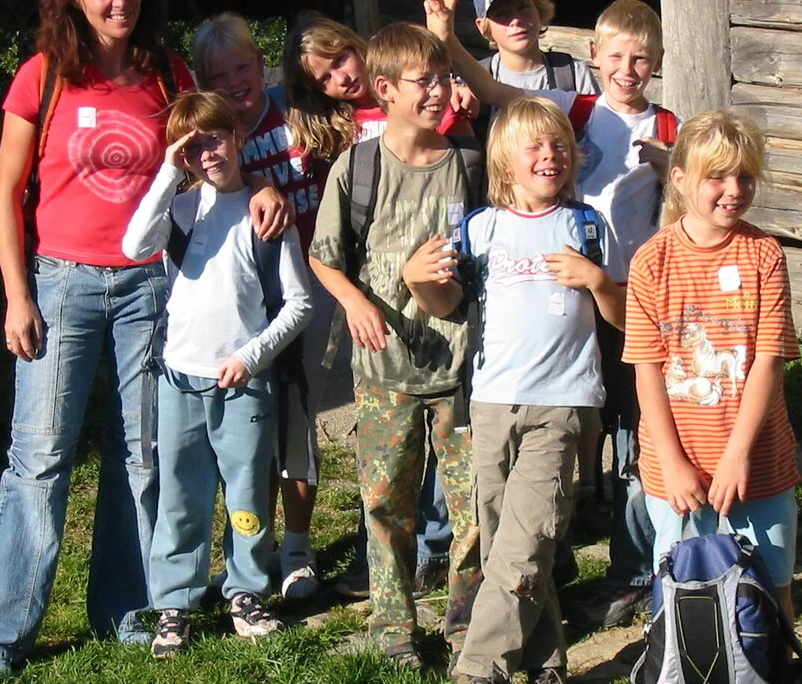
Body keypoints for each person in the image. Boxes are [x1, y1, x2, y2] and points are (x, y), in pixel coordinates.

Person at [0, 0, 289, 672]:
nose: (119, 4)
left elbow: (214, 150)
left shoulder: (167, 76)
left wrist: (258, 184)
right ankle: (1, 634)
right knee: (41, 460)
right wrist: (17, 294)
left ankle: (127, 610)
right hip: (61, 285)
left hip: (151, 289)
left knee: (140, 459)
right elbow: (7, 192)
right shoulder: (45, 75)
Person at [425, 0, 675, 626]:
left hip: (629, 300)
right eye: (616, 56)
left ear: (659, 62)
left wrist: (674, 169)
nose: (628, 68)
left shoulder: (669, 125)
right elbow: (490, 87)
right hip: (565, 297)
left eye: (641, 58)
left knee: (636, 447)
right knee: (568, 439)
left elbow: (689, 198)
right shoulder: (577, 109)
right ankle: (549, 566)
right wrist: (445, 35)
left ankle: (635, 572)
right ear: (596, 60)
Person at [403, 96, 624, 684]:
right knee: (509, 541)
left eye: (558, 145)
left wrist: (597, 281)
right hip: (492, 401)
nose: (549, 155)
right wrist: (416, 282)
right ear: (504, 161)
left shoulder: (586, 225)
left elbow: (625, 314)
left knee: (527, 541)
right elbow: (449, 305)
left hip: (564, 402)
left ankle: (479, 667)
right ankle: (545, 660)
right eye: (534, 145)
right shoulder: (480, 228)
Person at [281, 11, 476, 600]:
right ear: (386, 90)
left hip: (458, 367)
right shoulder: (358, 167)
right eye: (425, 81)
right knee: (386, 505)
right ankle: (393, 625)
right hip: (383, 366)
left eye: (443, 77)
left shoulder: (467, 164)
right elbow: (324, 255)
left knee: (472, 510)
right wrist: (354, 301)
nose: (438, 90)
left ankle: (468, 620)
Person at [123, 91, 313, 657]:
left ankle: (247, 591)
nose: (209, 153)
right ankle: (175, 603)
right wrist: (165, 170)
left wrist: (250, 357)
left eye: (217, 138)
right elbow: (134, 245)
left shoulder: (266, 214)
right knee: (180, 495)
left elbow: (298, 304)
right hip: (179, 378)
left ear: (237, 138)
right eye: (195, 145)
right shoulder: (178, 211)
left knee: (247, 493)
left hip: (243, 382)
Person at [623, 109, 801, 623]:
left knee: (771, 595)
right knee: (687, 601)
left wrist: (739, 454)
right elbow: (647, 369)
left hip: (757, 465)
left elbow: (769, 360)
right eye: (716, 177)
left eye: (745, 176)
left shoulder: (763, 254)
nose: (734, 189)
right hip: (677, 472)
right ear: (679, 179)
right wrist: (675, 465)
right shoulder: (652, 262)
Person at [191, 11, 328, 600]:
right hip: (242, 297)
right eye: (220, 76)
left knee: (297, 424)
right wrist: (255, 185)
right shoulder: (207, 136)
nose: (236, 83)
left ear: (260, 63)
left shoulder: (292, 112)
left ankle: (298, 545)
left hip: (307, 287)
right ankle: (255, 543)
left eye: (243, 67)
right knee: (254, 429)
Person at [473, 0, 598, 126]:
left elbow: (598, 130)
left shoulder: (575, 74)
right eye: (501, 14)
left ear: (539, 9)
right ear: (482, 26)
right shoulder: (473, 82)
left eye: (523, 7)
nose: (516, 20)